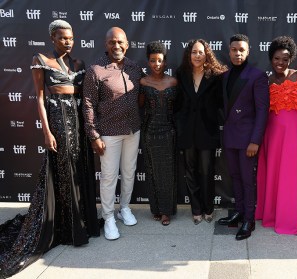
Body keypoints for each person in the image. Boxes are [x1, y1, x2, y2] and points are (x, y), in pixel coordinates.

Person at [0, 20, 100, 278]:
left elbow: (85, 98)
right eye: (62, 38)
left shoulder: (79, 65)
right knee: (64, 172)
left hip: (77, 123)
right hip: (57, 123)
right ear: (52, 38)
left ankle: (82, 223)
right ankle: (67, 228)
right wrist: (46, 131)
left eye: (71, 38)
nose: (68, 41)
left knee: (80, 169)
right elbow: (40, 99)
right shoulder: (41, 59)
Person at [83, 27, 142, 240]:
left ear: (127, 44)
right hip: (108, 132)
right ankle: (108, 217)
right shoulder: (96, 70)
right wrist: (94, 135)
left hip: (132, 130)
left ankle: (124, 208)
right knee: (108, 177)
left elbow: (142, 95)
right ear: (106, 44)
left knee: (129, 172)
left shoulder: (135, 68)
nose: (116, 46)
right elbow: (88, 104)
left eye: (120, 42)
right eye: (112, 42)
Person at [255, 36, 297, 235]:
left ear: (291, 59)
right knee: (272, 172)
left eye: (285, 59)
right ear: (271, 59)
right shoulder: (266, 80)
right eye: (277, 58)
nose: (281, 63)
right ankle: (270, 215)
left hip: (293, 132)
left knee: (289, 173)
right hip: (271, 132)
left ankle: (289, 218)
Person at [218, 34, 269, 240]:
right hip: (230, 137)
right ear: (229, 51)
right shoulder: (225, 76)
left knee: (248, 180)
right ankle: (239, 212)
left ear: (248, 52)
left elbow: (262, 111)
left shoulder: (257, 76)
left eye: (241, 50)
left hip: (248, 140)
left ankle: (249, 219)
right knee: (235, 177)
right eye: (234, 49)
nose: (237, 53)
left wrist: (255, 141)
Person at [176, 39, 228, 225]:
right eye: (193, 52)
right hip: (187, 132)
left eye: (200, 52)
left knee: (206, 171)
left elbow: (222, 102)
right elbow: (178, 104)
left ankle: (208, 208)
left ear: (206, 54)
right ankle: (196, 209)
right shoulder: (181, 74)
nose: (197, 55)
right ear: (188, 55)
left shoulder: (216, 75)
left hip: (208, 131)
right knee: (190, 172)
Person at [139, 41, 178, 226]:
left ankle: (166, 211)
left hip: (169, 132)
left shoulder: (173, 82)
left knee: (167, 173)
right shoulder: (143, 82)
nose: (156, 64)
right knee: (153, 171)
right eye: (153, 60)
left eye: (160, 60)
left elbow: (179, 109)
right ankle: (156, 209)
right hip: (149, 133)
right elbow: (139, 106)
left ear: (165, 62)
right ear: (148, 62)